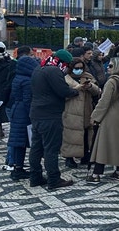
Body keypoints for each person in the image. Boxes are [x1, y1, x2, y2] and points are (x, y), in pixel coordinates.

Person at [28, 50, 81, 189]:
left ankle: (35, 177)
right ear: (63, 63)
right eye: (68, 65)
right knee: (51, 148)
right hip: (50, 115)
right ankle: (54, 179)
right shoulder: (54, 71)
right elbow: (63, 91)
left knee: (36, 147)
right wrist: (77, 90)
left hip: (36, 113)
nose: (67, 69)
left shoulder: (39, 68)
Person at [88, 58, 119, 183]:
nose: (107, 68)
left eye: (110, 66)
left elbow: (104, 101)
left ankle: (96, 173)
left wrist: (95, 116)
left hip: (111, 116)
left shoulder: (111, 82)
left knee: (103, 145)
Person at [61, 57, 101, 169]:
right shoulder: (65, 79)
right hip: (71, 110)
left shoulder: (88, 76)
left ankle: (85, 155)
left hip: (87, 109)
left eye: (81, 68)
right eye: (76, 68)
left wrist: (90, 86)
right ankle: (69, 157)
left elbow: (97, 92)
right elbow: (63, 95)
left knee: (86, 133)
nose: (79, 70)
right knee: (71, 135)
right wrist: (77, 88)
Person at [6, 47, 39, 180]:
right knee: (22, 142)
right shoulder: (27, 81)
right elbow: (28, 100)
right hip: (23, 114)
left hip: (16, 111)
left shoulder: (18, 77)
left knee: (17, 142)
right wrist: (33, 115)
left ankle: (16, 167)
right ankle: (19, 169)